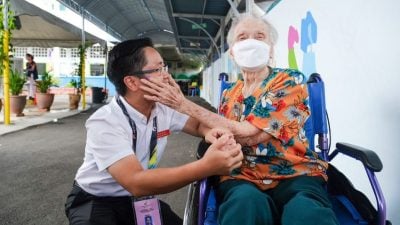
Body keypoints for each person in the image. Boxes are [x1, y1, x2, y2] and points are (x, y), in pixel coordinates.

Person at [140, 13, 339, 225]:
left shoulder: (289, 81)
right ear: (232, 53)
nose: (251, 43)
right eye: (242, 38)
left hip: (295, 173)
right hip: (241, 174)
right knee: (244, 204)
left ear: (271, 49)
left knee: (305, 212)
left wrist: (182, 104)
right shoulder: (229, 94)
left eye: (259, 36)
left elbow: (248, 134)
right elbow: (235, 135)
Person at [64, 38, 243, 225]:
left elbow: (197, 125)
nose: (167, 77)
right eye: (157, 70)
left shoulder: (162, 108)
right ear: (132, 82)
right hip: (96, 200)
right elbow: (135, 182)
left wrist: (210, 133)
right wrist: (206, 167)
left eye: (164, 68)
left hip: (137, 200)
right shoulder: (106, 121)